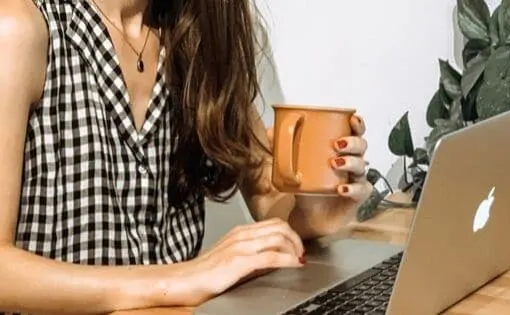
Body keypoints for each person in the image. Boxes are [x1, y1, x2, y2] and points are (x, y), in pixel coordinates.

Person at [0, 0, 372, 314]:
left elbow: (268, 197)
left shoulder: (198, 26)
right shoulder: (18, 27)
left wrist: (311, 212)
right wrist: (180, 278)